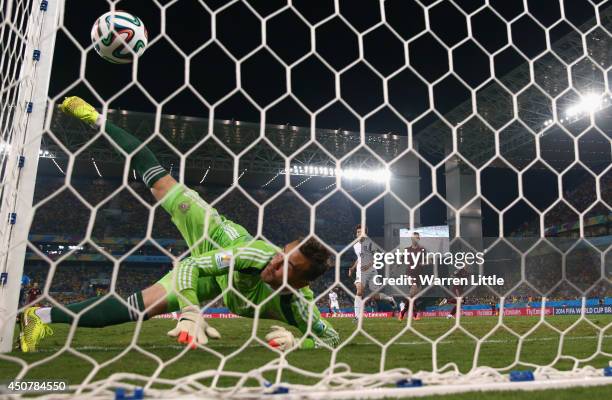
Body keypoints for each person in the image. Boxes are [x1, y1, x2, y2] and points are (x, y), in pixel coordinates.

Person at [19, 96, 340, 352]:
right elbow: (191, 267)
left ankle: (38, 316)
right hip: (215, 235)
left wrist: (300, 342)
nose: (277, 261)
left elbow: (331, 337)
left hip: (221, 283)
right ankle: (98, 119)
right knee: (158, 180)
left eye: (289, 266)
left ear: (302, 284)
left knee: (142, 307)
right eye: (282, 254)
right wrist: (190, 311)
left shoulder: (297, 307)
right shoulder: (256, 256)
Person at [348, 224, 395, 322]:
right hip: (360, 272)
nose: (359, 234)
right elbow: (359, 258)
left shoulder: (370, 243)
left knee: (375, 296)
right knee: (359, 291)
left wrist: (368, 265)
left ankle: (389, 299)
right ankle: (357, 317)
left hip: (372, 271)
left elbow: (377, 256)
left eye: (361, 232)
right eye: (358, 232)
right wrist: (352, 268)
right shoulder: (355, 245)